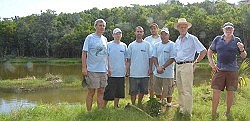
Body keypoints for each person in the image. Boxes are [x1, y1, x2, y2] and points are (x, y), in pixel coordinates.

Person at [207, 22, 247, 117]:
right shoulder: (217, 39)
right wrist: (212, 63)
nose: (228, 30)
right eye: (226, 28)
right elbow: (210, 51)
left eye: (230, 29)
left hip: (232, 71)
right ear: (223, 29)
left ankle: (228, 112)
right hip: (219, 70)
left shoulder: (237, 40)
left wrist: (242, 49)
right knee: (216, 91)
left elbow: (244, 56)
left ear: (233, 30)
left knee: (230, 92)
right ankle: (213, 113)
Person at [174, 18, 207, 115]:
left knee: (187, 90)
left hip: (187, 65)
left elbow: (203, 51)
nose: (183, 28)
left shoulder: (192, 38)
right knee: (180, 88)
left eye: (185, 27)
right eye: (181, 27)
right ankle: (182, 108)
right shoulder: (177, 40)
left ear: (187, 28)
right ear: (178, 28)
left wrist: (196, 62)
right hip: (178, 66)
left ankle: (188, 112)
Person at [82, 19, 108, 112]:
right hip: (92, 70)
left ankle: (100, 110)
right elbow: (84, 53)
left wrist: (107, 68)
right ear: (95, 26)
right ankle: (89, 112)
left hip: (103, 70)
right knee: (91, 91)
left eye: (103, 26)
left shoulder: (104, 39)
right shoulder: (90, 37)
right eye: (100, 25)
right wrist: (84, 67)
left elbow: (106, 55)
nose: (102, 27)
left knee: (101, 91)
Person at [127, 26, 152, 106]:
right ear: (135, 33)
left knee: (143, 90)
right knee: (133, 91)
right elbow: (128, 60)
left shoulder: (147, 45)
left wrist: (150, 69)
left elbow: (150, 58)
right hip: (133, 73)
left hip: (144, 73)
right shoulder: (131, 45)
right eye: (138, 31)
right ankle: (133, 104)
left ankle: (139, 103)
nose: (139, 33)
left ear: (143, 33)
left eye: (141, 32)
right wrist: (127, 71)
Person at [103, 28, 128, 108]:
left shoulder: (124, 45)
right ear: (113, 35)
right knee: (108, 91)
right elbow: (106, 58)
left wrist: (126, 71)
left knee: (119, 91)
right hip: (111, 73)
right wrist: (108, 69)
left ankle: (116, 106)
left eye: (119, 33)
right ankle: (103, 107)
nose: (118, 35)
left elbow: (126, 59)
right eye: (116, 33)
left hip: (121, 73)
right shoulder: (108, 45)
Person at [152, 27, 176, 107]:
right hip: (157, 72)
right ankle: (160, 102)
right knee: (157, 90)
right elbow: (154, 57)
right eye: (162, 34)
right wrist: (157, 67)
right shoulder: (156, 45)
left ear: (168, 35)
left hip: (168, 73)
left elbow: (172, 58)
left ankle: (169, 104)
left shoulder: (172, 45)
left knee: (169, 90)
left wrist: (162, 67)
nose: (163, 36)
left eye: (165, 34)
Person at [144, 23, 161, 98]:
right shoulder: (147, 39)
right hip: (149, 63)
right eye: (152, 29)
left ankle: (160, 99)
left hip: (160, 63)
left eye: (155, 28)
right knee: (151, 82)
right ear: (150, 30)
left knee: (160, 82)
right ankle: (151, 98)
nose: (153, 30)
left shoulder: (162, 38)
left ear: (158, 29)